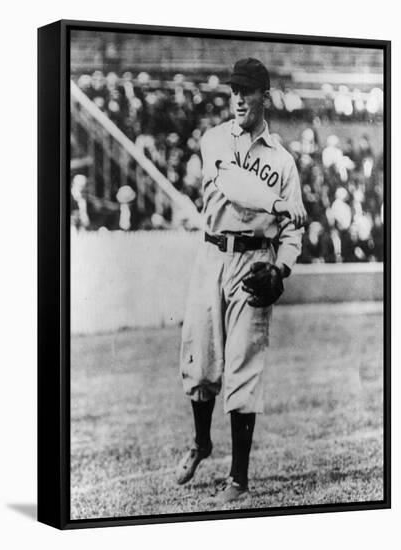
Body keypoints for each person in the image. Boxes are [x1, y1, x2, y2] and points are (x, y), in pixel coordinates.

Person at [176, 58, 306, 503]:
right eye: (234, 90)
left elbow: (294, 232)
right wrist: (277, 202)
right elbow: (231, 185)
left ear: (264, 97)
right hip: (212, 254)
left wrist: (282, 268)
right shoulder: (215, 140)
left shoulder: (284, 162)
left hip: (254, 263)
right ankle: (201, 442)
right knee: (201, 360)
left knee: (243, 367)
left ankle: (239, 479)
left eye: (247, 91)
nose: (237, 98)